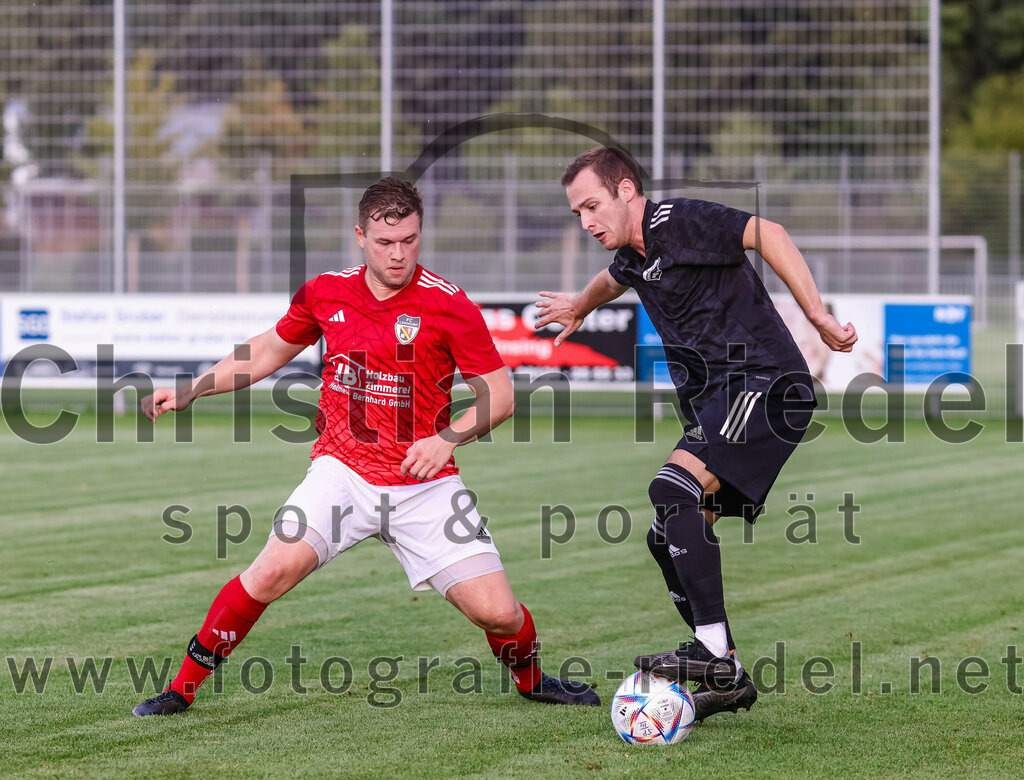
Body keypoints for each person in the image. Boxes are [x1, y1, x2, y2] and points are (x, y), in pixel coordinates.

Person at [133, 177, 600, 716]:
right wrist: (192, 389)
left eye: (409, 240)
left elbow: (500, 396)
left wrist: (444, 439)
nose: (398, 254)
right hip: (343, 470)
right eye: (385, 242)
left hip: (424, 483)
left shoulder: (449, 304)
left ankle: (532, 679)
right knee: (268, 571)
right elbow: (264, 351)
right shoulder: (325, 292)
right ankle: (180, 689)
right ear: (361, 236)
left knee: (498, 613)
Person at [536, 147, 856, 720]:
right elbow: (613, 281)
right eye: (576, 213)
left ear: (626, 190)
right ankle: (728, 672)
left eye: (591, 206)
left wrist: (817, 316)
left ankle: (710, 651)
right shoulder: (633, 255)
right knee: (667, 537)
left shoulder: (676, 221)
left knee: (672, 488)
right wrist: (579, 308)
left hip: (765, 384)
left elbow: (770, 233)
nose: (585, 222)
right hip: (721, 402)